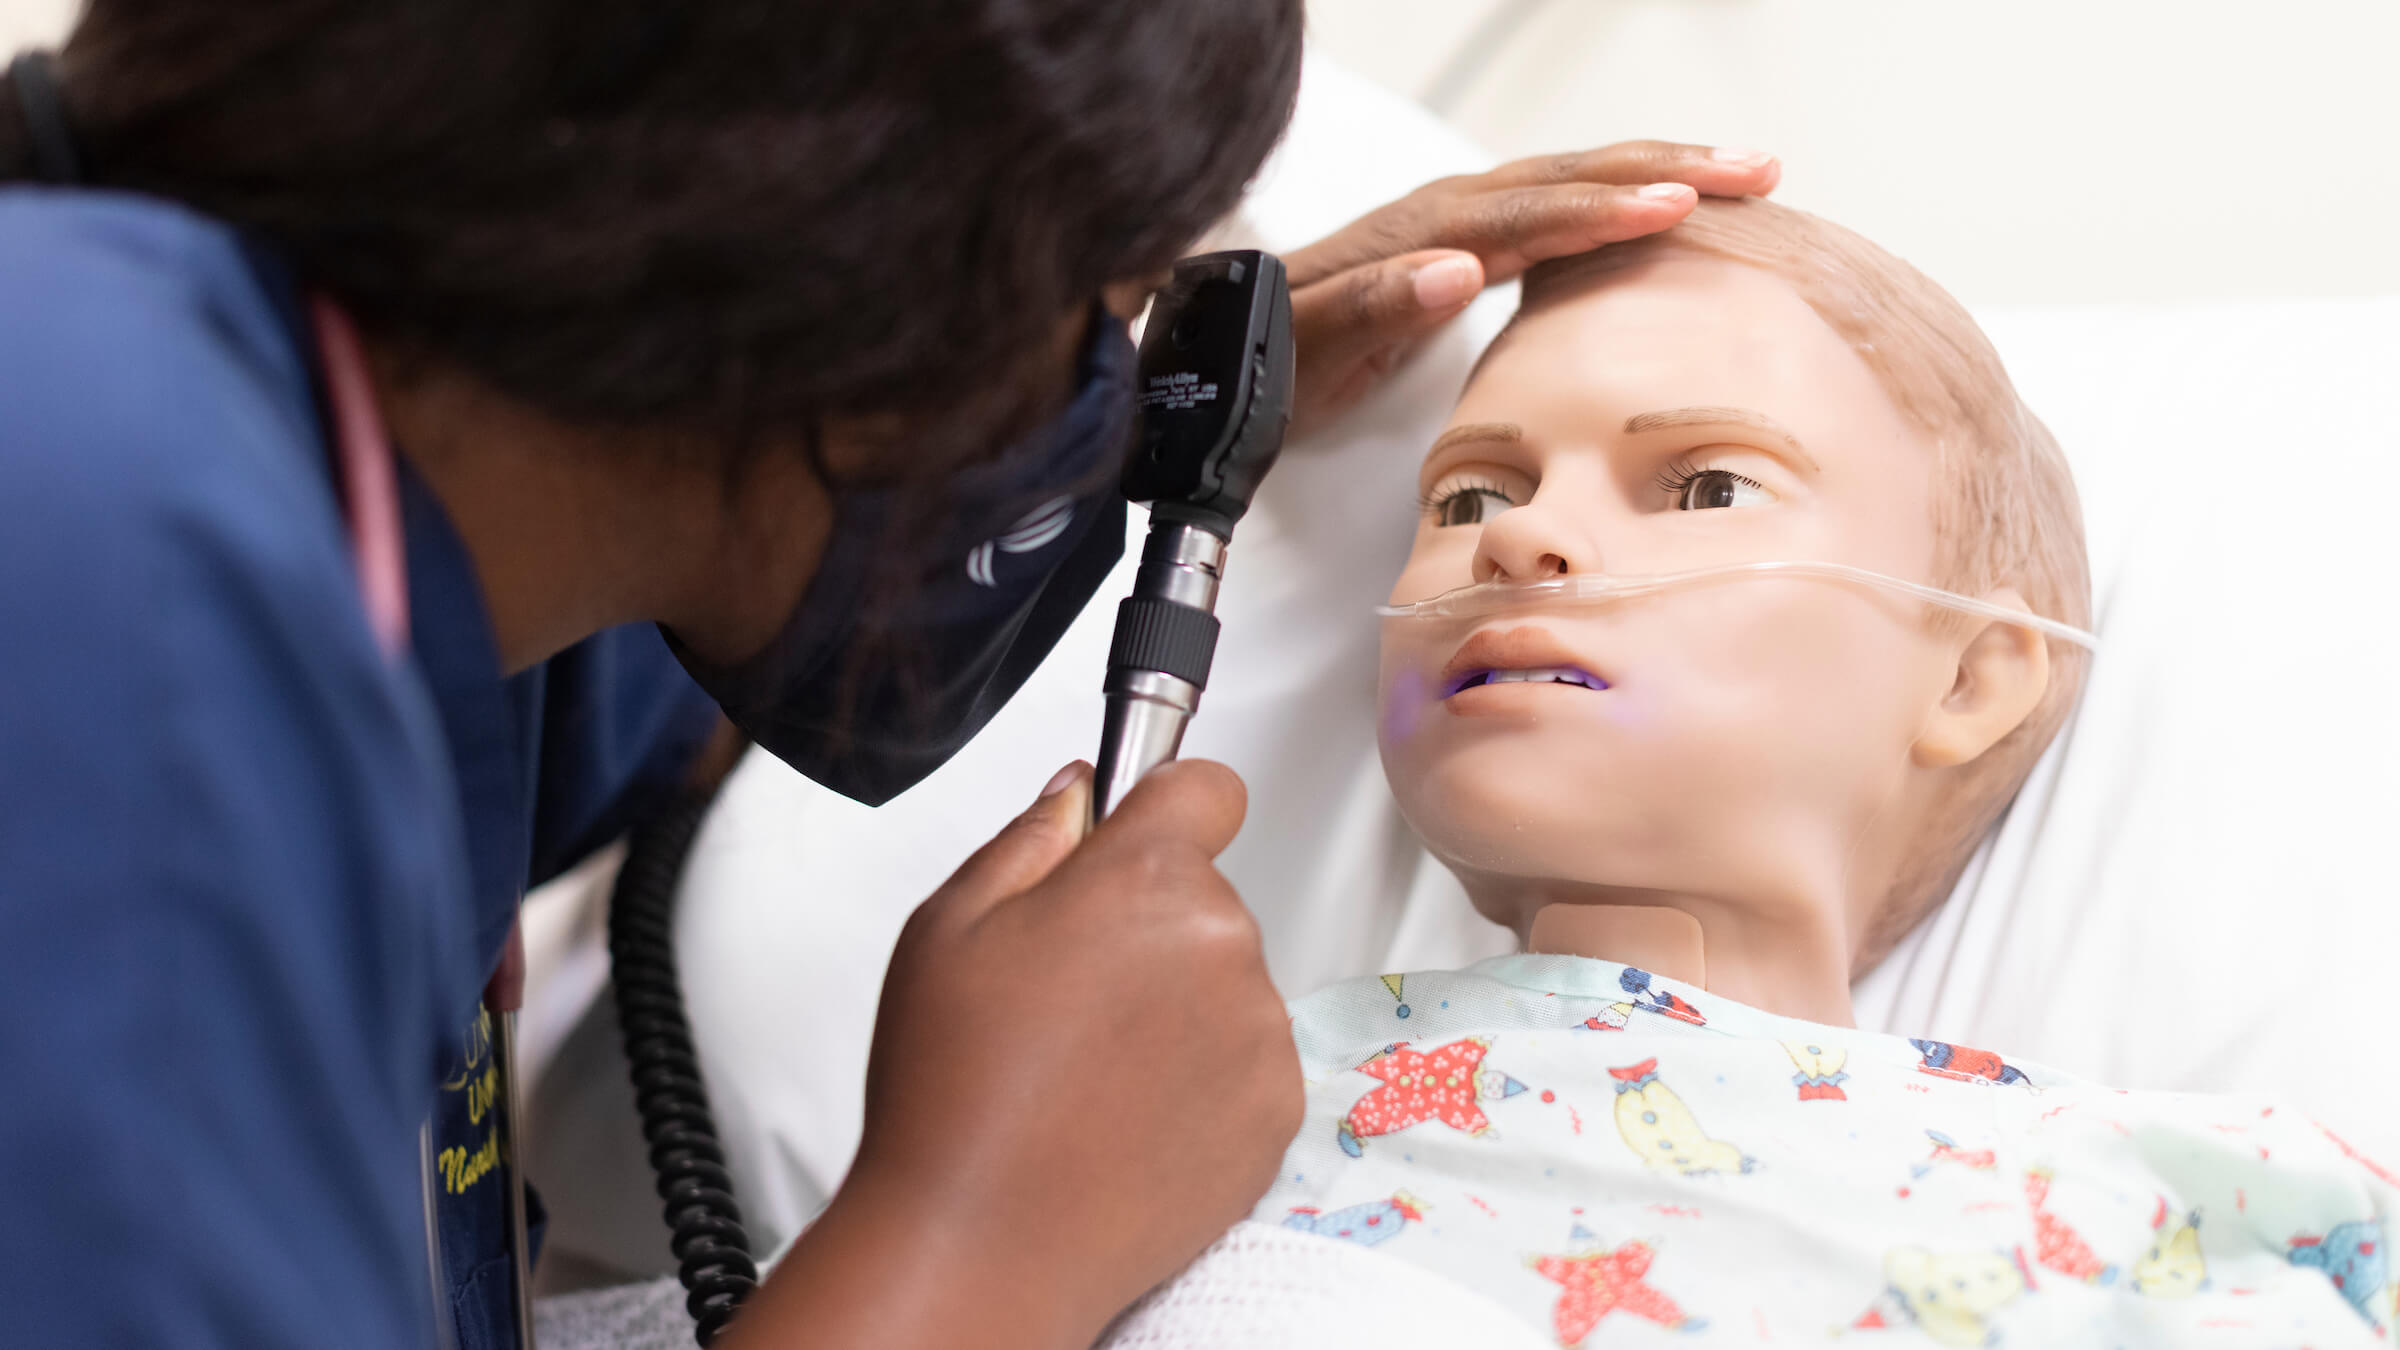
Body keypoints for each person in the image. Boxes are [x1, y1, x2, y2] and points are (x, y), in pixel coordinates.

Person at [0, 2, 1784, 1345]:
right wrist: (970, 1234)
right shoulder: (95, 543)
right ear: (854, 288)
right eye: (1103, 308)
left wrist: (1133, 436)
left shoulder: (420, 561)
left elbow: (679, 652)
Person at [1105, 197, 2397, 1347]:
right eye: (1469, 500)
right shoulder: (1163, 1085)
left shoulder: (2186, 1206)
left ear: (1967, 678)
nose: (1525, 535)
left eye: (1709, 487)